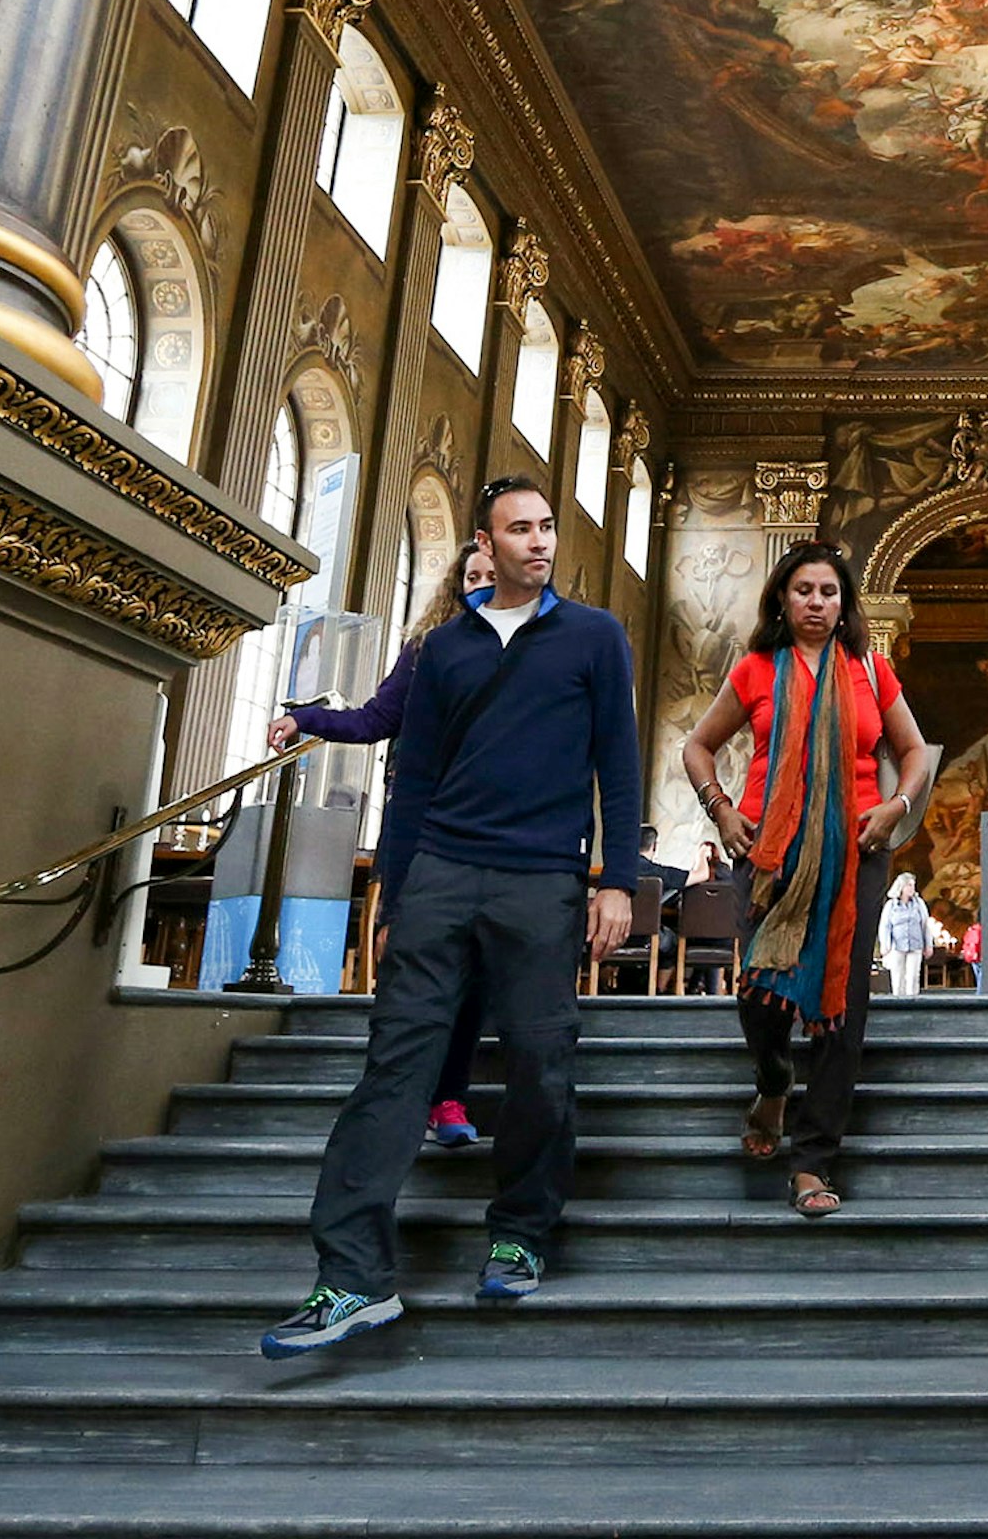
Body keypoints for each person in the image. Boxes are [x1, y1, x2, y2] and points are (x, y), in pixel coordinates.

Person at [263, 477, 638, 1355]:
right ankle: (351, 1278)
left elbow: (615, 765)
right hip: (440, 872)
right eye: (521, 529)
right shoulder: (442, 650)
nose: (540, 542)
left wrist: (613, 879)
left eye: (547, 528)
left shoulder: (594, 637)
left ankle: (521, 1232)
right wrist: (397, 890)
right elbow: (416, 776)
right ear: (485, 542)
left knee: (542, 1065)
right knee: (395, 1069)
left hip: (541, 880)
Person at [678, 539, 933, 1218]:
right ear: (782, 601)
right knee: (762, 996)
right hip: (767, 850)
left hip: (856, 852)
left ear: (844, 602)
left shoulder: (872, 672)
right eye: (803, 591)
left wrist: (897, 805)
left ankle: (813, 1162)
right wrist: (721, 811)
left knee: (842, 1011)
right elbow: (697, 745)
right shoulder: (757, 670)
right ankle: (772, 1075)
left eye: (828, 592)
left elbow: (912, 754)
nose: (817, 603)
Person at [271, 539, 498, 1149]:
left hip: (487, 829)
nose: (480, 586)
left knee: (472, 969)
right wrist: (307, 719)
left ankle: (449, 1097)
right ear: (456, 588)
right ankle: (399, 1091)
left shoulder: (528, 656)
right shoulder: (425, 651)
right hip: (418, 824)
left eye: (490, 578)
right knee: (406, 960)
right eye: (470, 577)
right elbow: (374, 720)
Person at [876, 872, 937, 996]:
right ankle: (898, 1001)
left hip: (915, 945)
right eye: (909, 885)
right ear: (901, 887)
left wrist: (928, 945)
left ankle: (912, 1001)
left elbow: (925, 925)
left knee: (913, 976)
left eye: (913, 885)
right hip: (897, 946)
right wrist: (885, 944)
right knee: (898, 976)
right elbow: (885, 926)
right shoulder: (891, 905)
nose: (912, 888)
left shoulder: (919, 904)